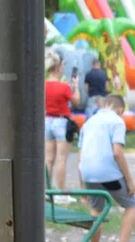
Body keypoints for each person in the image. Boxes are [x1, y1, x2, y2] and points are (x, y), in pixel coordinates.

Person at [78, 95, 135, 242]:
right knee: (131, 204)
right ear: (120, 110)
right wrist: (129, 181)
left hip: (88, 172)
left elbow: (80, 156)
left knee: (96, 209)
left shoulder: (88, 122)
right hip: (108, 173)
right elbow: (117, 152)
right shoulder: (117, 122)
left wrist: (82, 185)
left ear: (104, 105)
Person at [44, 50, 80, 193]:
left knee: (48, 159)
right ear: (58, 67)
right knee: (61, 159)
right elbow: (77, 101)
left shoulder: (43, 85)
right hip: (61, 122)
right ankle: (61, 191)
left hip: (47, 121)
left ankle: (46, 191)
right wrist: (75, 85)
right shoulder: (64, 86)